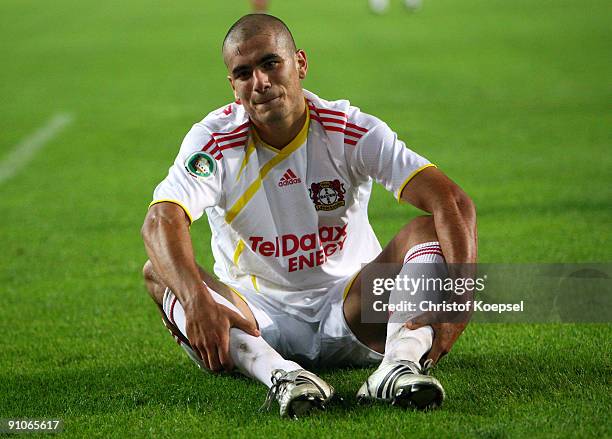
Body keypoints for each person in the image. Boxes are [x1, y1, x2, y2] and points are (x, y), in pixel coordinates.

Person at [141, 13, 477, 418]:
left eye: (270, 63)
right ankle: (282, 375)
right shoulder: (215, 141)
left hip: (354, 309)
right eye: (244, 73)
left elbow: (452, 202)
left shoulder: (348, 129)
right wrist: (194, 299)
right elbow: (161, 220)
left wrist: (458, 298)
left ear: (300, 63)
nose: (260, 82)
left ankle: (398, 365)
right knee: (159, 272)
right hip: (256, 319)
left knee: (428, 230)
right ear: (234, 87)